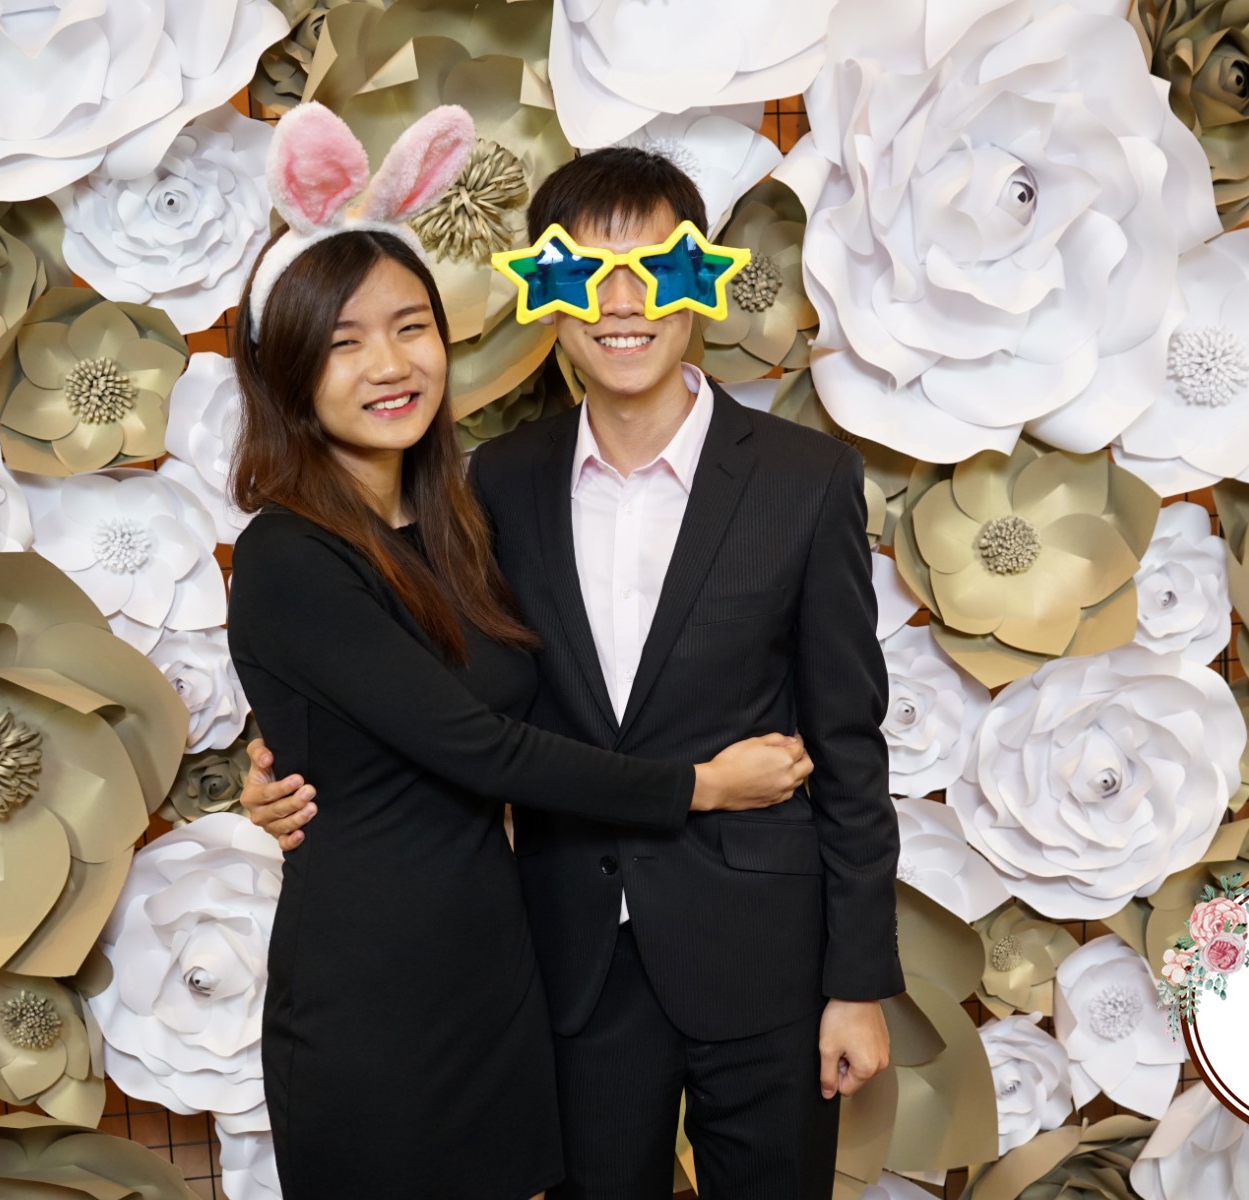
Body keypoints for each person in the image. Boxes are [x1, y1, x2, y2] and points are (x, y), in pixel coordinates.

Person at [240, 143, 903, 1199]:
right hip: (566, 962)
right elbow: (424, 689)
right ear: (547, 296)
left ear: (703, 279)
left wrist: (857, 982)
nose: (622, 304)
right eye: (587, 274)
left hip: (761, 961)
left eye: (655, 268)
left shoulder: (805, 479)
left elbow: (850, 746)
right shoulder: (493, 488)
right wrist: (291, 751)